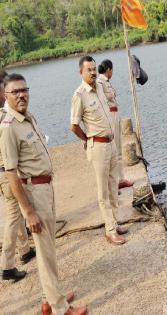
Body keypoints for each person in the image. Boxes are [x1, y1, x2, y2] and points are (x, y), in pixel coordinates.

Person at [0, 74, 87, 315]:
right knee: (45, 251)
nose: (21, 95)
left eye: (24, 90)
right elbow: (11, 173)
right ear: (6, 96)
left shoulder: (29, 118)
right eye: (15, 92)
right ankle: (60, 308)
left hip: (45, 187)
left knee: (48, 247)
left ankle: (51, 297)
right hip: (33, 192)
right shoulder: (8, 127)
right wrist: (28, 211)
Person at [70, 56, 128, 245]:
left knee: (113, 186)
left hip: (110, 144)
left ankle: (115, 222)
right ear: (81, 72)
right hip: (98, 147)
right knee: (103, 191)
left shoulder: (101, 88)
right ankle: (109, 230)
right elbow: (74, 125)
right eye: (89, 70)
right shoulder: (79, 95)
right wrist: (87, 138)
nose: (93, 72)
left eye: (94, 69)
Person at [0, 71, 35, 282]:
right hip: (6, 174)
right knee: (14, 216)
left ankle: (24, 250)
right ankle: (7, 265)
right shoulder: (5, 119)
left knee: (16, 212)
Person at [97, 59, 134, 189]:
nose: (112, 72)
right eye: (112, 70)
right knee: (115, 148)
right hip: (110, 116)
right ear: (108, 69)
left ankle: (119, 179)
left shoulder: (104, 82)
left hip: (114, 114)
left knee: (117, 148)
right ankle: (119, 180)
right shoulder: (100, 82)